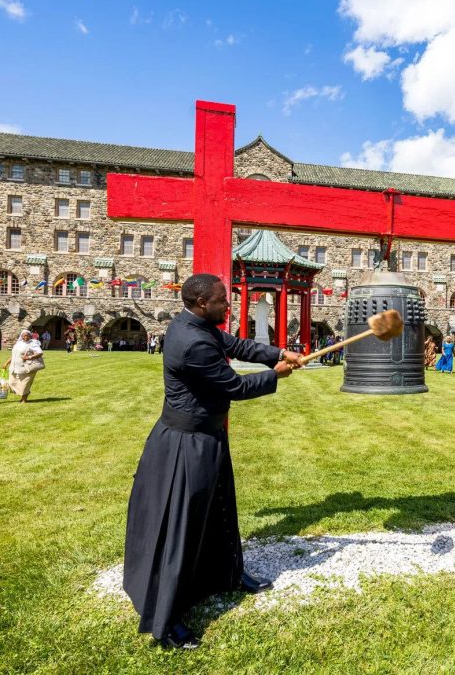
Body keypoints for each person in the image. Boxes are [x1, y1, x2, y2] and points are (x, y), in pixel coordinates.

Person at [123, 274, 305, 650]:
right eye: (223, 300)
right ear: (203, 302)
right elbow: (234, 386)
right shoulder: (192, 342)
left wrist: (277, 353)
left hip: (205, 437)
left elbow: (235, 344)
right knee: (183, 526)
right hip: (185, 446)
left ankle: (227, 573)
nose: (229, 305)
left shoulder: (197, 324)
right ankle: (168, 619)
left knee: (220, 507)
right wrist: (276, 376)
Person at [3, 330, 45, 403]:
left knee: (25, 384)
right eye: (24, 335)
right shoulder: (18, 343)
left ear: (30, 336)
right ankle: (25, 393)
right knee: (11, 383)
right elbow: (14, 355)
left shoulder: (33, 344)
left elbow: (40, 353)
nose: (26, 337)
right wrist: (6, 363)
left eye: (27, 335)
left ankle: (24, 399)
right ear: (21, 336)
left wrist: (29, 357)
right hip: (14, 367)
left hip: (26, 367)